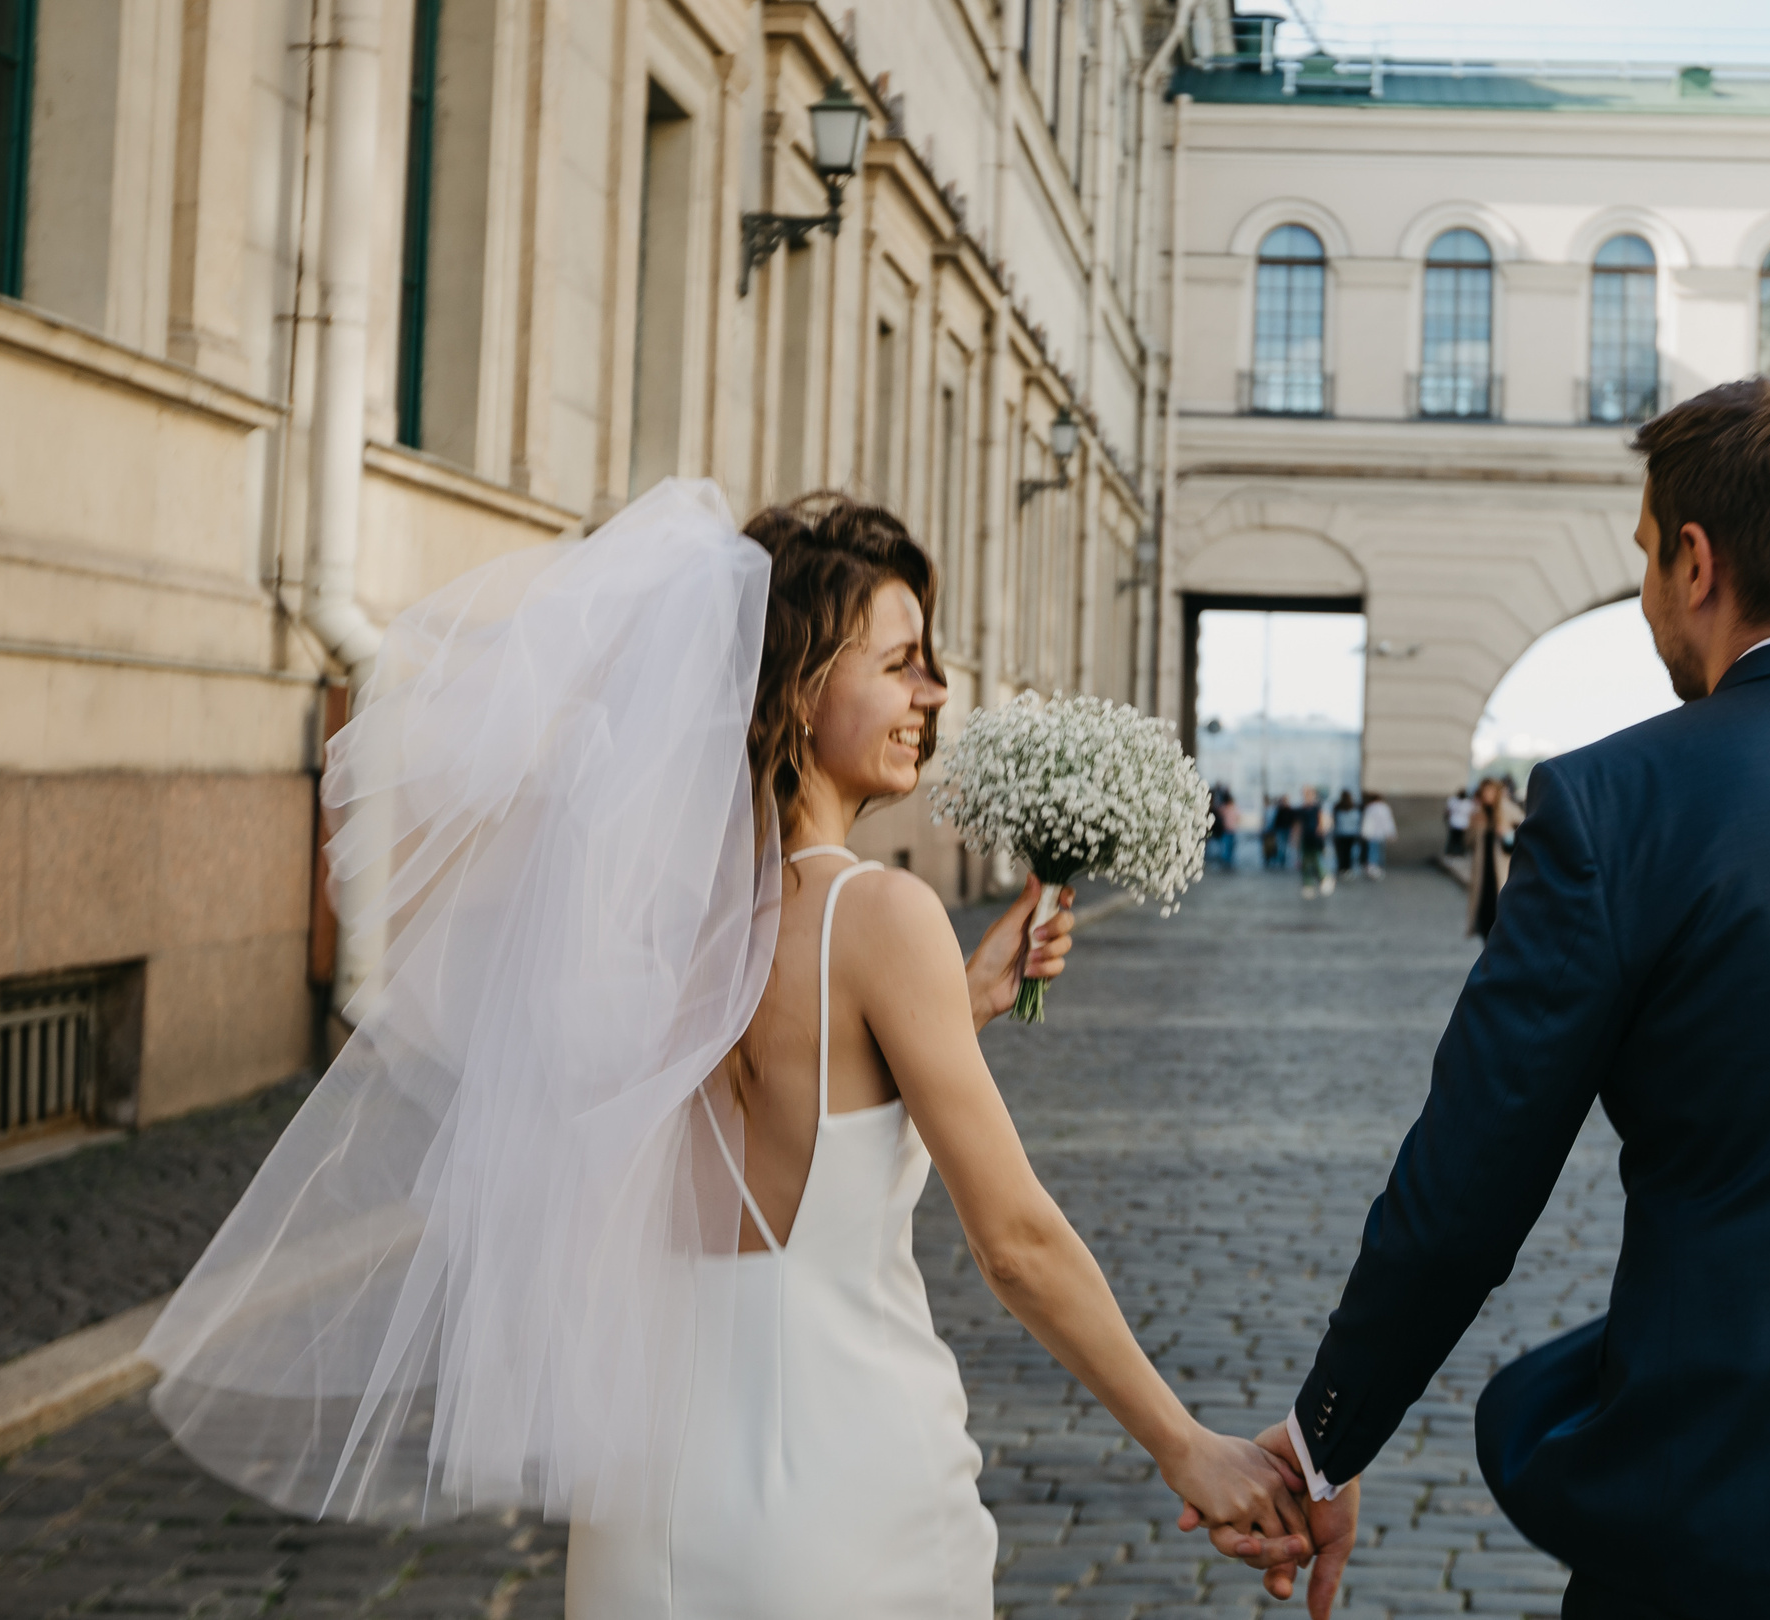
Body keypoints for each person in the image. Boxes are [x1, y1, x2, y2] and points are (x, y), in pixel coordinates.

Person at [140, 482, 1301, 1620]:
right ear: (796, 686)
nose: (934, 691)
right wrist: (1182, 1442)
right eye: (899, 662)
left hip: (644, 1519)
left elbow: (766, 1095)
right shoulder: (880, 916)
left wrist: (957, 1008)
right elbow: (1016, 1244)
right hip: (849, 1502)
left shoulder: (646, 929)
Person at [1194, 377, 1770, 1618]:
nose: (1645, 596)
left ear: (1694, 562)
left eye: (1645, 555)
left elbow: (1469, 1188)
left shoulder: (1611, 806)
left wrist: (1327, 1437)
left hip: (1735, 1490)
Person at [1464, 777, 1520, 940]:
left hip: (1503, 873)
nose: (1487, 795)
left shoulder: (1509, 811)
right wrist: (1474, 826)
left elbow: (1522, 841)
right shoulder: (1478, 814)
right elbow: (1467, 843)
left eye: (1490, 791)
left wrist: (1507, 834)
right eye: (1484, 791)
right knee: (1484, 917)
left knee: (1501, 917)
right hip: (1483, 874)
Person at [1295, 786, 1331, 898]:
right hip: (1305, 838)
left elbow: (1321, 823)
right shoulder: (1301, 809)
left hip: (1315, 838)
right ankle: (1308, 884)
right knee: (1305, 862)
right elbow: (1298, 826)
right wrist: (1296, 839)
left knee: (1316, 860)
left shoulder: (1317, 808)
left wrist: (1321, 835)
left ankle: (1324, 878)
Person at [1357, 793, 1394, 879]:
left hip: (1372, 834)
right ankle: (1379, 868)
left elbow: (1367, 821)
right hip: (1381, 834)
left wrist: (1364, 832)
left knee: (1372, 851)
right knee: (1380, 851)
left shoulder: (1370, 808)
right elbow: (1388, 821)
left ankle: (1372, 868)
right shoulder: (1385, 808)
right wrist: (1391, 833)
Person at [1329, 790, 1361, 875]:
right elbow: (1357, 820)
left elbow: (1334, 820)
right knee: (1349, 852)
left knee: (1341, 852)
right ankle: (1348, 868)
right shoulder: (1355, 807)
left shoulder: (1337, 807)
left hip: (1340, 833)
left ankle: (1341, 868)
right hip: (1351, 833)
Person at [1442, 786, 1473, 857]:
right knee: (1453, 839)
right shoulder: (1453, 801)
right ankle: (1451, 852)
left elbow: (1471, 814)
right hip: (1454, 823)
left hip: (1463, 825)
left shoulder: (1467, 803)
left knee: (1461, 840)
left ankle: (1459, 853)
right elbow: (1448, 811)